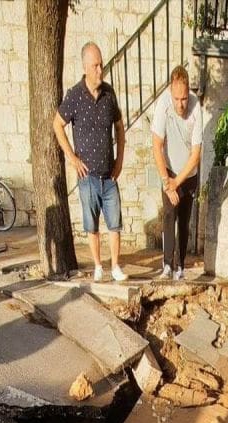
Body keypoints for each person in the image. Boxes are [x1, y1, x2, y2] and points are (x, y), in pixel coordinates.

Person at [53, 42, 127, 282]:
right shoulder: (74, 96)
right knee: (91, 225)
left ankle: (115, 266)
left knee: (115, 224)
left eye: (101, 65)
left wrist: (120, 161)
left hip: (109, 175)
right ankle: (98, 266)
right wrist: (72, 158)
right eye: (95, 66)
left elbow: (119, 127)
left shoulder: (109, 93)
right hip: (87, 177)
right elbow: (57, 125)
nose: (100, 70)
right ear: (85, 67)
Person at [150, 65, 204, 281]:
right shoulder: (163, 104)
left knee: (184, 220)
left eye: (184, 99)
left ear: (188, 92)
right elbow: (157, 145)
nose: (180, 104)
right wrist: (167, 181)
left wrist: (177, 182)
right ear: (170, 91)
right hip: (170, 170)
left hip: (188, 174)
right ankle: (166, 265)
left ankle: (180, 266)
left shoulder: (196, 106)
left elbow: (196, 154)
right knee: (169, 215)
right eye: (176, 99)